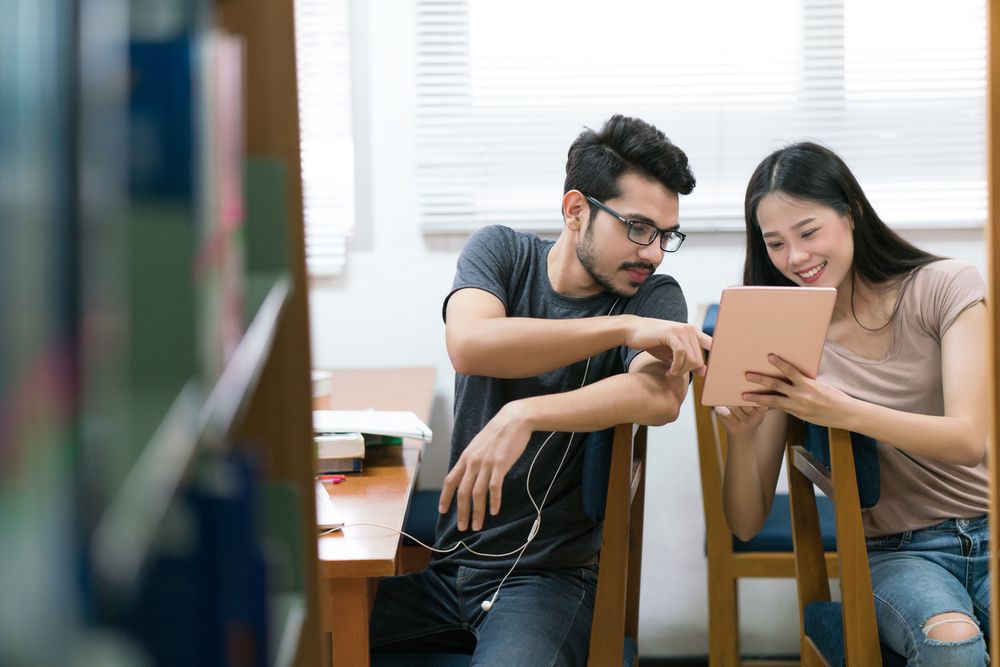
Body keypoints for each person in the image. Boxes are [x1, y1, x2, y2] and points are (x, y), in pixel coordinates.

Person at [368, 115, 710, 665]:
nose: (653, 252)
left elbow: (659, 397)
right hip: (451, 568)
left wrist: (526, 412)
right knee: (301, 634)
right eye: (639, 228)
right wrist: (621, 329)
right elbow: (472, 343)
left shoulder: (656, 295)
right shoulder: (500, 253)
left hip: (548, 583)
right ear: (576, 210)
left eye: (666, 236)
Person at [719, 141, 989, 665]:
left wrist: (842, 411)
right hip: (900, 553)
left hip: (991, 528)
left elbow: (964, 439)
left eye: (809, 232)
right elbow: (746, 523)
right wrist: (742, 436)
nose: (795, 258)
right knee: (950, 644)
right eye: (774, 243)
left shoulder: (946, 286)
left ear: (852, 213)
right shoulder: (784, 334)